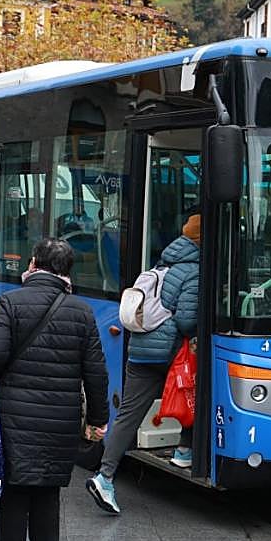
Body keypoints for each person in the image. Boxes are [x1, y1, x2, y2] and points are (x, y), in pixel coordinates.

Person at [0, 238, 109, 541]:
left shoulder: (10, 303)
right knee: (48, 502)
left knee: (14, 502)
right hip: (60, 424)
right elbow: (96, 374)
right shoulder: (82, 313)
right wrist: (96, 421)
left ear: (33, 264)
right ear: (67, 272)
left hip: (15, 421)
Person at [87, 212, 201, 515]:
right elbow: (188, 321)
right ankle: (185, 449)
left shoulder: (163, 262)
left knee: (128, 414)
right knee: (196, 394)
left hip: (140, 349)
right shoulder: (196, 271)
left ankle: (104, 476)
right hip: (168, 353)